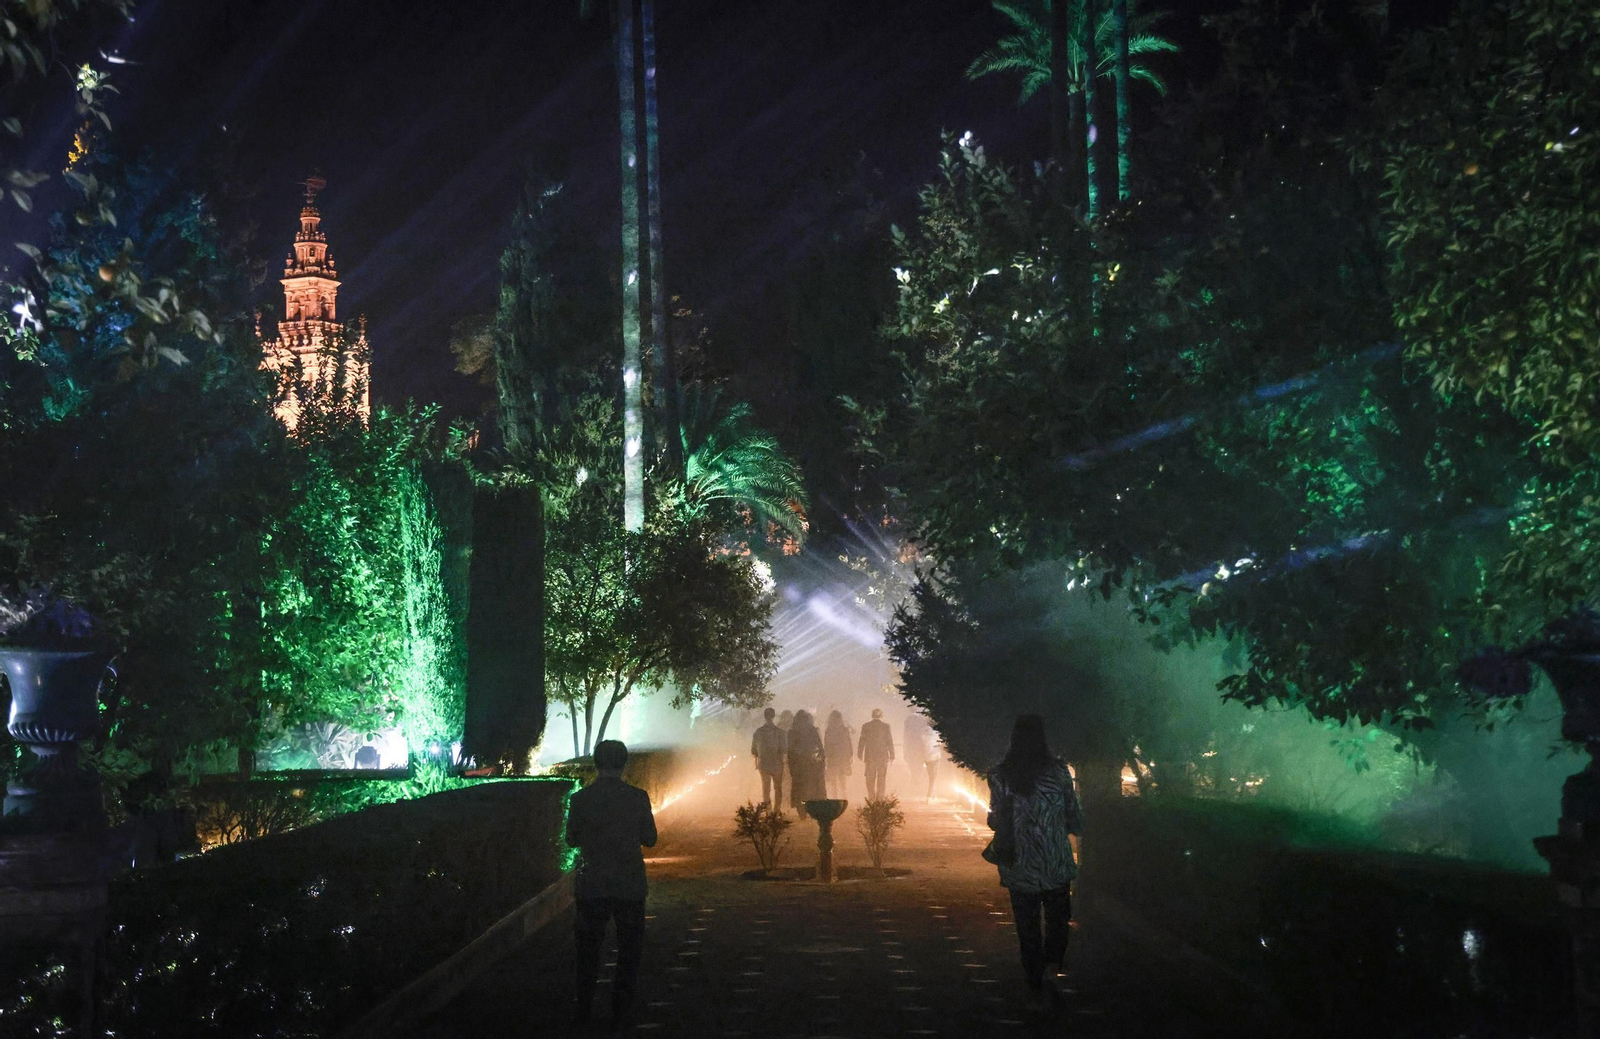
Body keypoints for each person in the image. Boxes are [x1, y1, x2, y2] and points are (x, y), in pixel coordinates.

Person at [986, 715, 1083, 1012]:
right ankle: (1053, 967)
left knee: (1026, 926)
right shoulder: (1059, 772)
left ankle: (1034, 982)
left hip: (1020, 863)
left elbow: (994, 818)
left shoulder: (1001, 776)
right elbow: (1073, 814)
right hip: (1055, 861)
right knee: (1057, 920)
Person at [565, 739, 658, 1027]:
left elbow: (571, 839)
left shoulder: (580, 799)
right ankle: (622, 1007)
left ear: (596, 763)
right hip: (629, 883)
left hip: (593, 882)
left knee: (588, 949)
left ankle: (584, 1008)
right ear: (624, 763)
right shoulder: (638, 797)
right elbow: (650, 839)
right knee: (629, 948)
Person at [786, 709, 826, 819]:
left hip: (800, 766)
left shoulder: (792, 732)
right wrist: (821, 763)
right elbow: (820, 748)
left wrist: (791, 766)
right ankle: (810, 810)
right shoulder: (812, 731)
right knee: (812, 789)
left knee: (801, 790)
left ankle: (802, 811)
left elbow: (790, 751)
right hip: (811, 765)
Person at [751, 707, 787, 805]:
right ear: (773, 716)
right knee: (778, 788)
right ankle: (777, 809)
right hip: (777, 764)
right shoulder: (780, 732)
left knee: (766, 789)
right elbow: (784, 750)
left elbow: (754, 750)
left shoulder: (758, 732)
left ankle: (768, 810)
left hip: (764, 764)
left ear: (764, 716)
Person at [857, 708, 895, 801]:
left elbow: (862, 741)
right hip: (882, 756)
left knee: (870, 778)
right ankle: (880, 798)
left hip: (870, 756)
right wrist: (892, 754)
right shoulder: (886, 727)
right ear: (881, 716)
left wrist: (860, 753)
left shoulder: (866, 726)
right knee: (881, 778)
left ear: (872, 715)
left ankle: (871, 797)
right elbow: (889, 741)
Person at [823, 710, 854, 799]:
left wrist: (826, 756)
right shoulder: (844, 730)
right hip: (843, 757)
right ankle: (844, 796)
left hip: (832, 757)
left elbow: (826, 744)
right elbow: (848, 743)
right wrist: (850, 755)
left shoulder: (829, 730)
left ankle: (834, 797)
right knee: (842, 777)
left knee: (833, 779)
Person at [923, 734, 944, 803]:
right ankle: (930, 796)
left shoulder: (924, 734)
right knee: (933, 778)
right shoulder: (937, 733)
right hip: (935, 757)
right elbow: (941, 743)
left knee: (930, 777)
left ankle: (933, 795)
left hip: (927, 757)